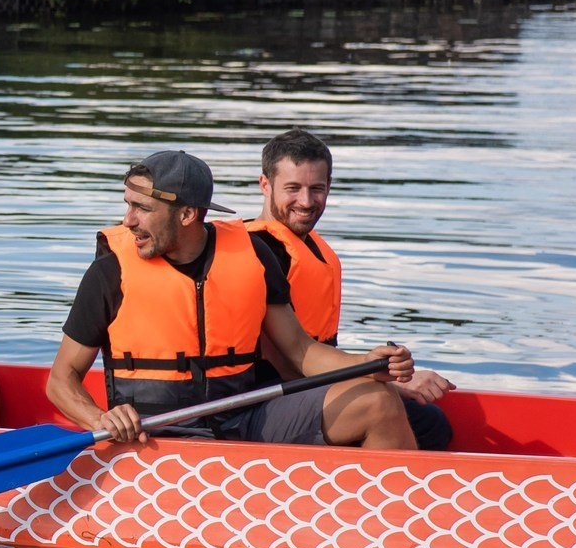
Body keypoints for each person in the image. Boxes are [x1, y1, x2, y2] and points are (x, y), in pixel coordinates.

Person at [46, 150, 419, 449]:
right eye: (128, 205)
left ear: (188, 214)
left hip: (243, 420)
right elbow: (61, 379)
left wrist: (366, 364)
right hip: (154, 437)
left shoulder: (253, 255)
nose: (127, 221)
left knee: (378, 402)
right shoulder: (110, 272)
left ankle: (397, 533)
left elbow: (300, 352)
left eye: (142, 209)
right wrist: (100, 420)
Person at [250, 127, 454, 448]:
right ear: (265, 184)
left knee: (431, 423)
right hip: (266, 396)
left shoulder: (312, 247)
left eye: (317, 189)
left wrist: (386, 374)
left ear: (329, 187)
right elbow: (287, 361)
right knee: (388, 404)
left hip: (310, 382)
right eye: (293, 188)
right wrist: (384, 377)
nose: (306, 201)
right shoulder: (258, 252)